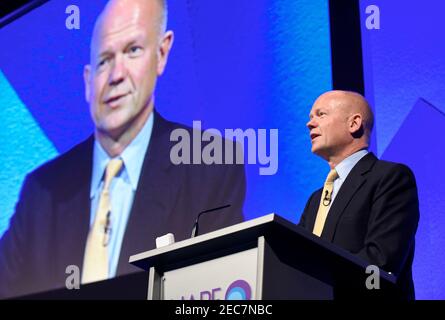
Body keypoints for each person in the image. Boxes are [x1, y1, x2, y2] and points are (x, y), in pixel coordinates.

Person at [0, 0, 245, 298]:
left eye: (133, 51)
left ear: (162, 52)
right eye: (104, 60)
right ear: (88, 82)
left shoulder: (210, 166)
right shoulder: (41, 191)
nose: (116, 75)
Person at [299, 90, 419, 299]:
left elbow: (380, 263)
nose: (310, 124)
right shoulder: (315, 200)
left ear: (354, 124)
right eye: (310, 117)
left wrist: (317, 285)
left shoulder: (390, 178)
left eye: (321, 114)